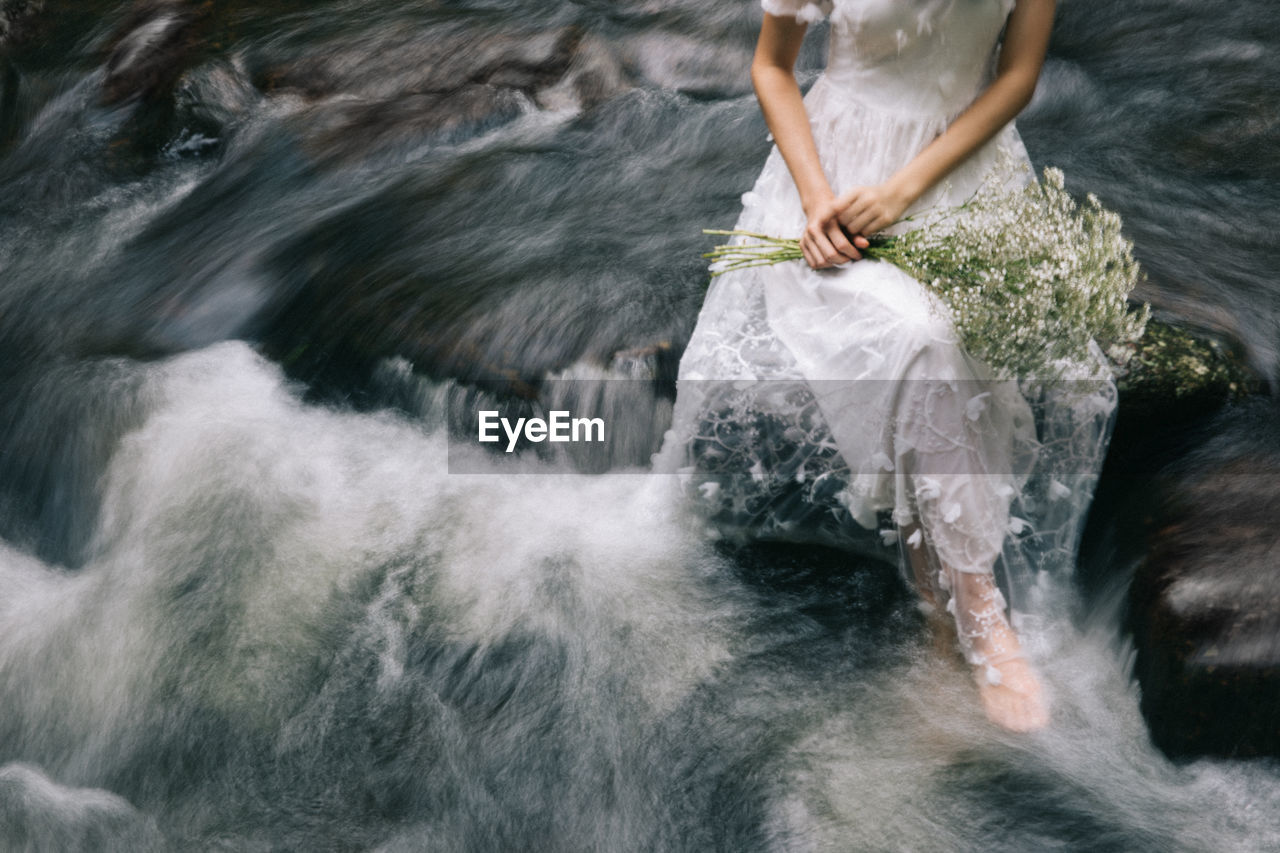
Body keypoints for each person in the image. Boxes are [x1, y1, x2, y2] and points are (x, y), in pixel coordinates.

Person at [654, 0, 1119, 733]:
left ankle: (939, 621)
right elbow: (772, 67)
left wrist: (905, 190)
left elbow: (1018, 76)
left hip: (963, 175)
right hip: (833, 184)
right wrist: (815, 205)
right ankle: (976, 609)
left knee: (962, 349)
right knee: (924, 339)